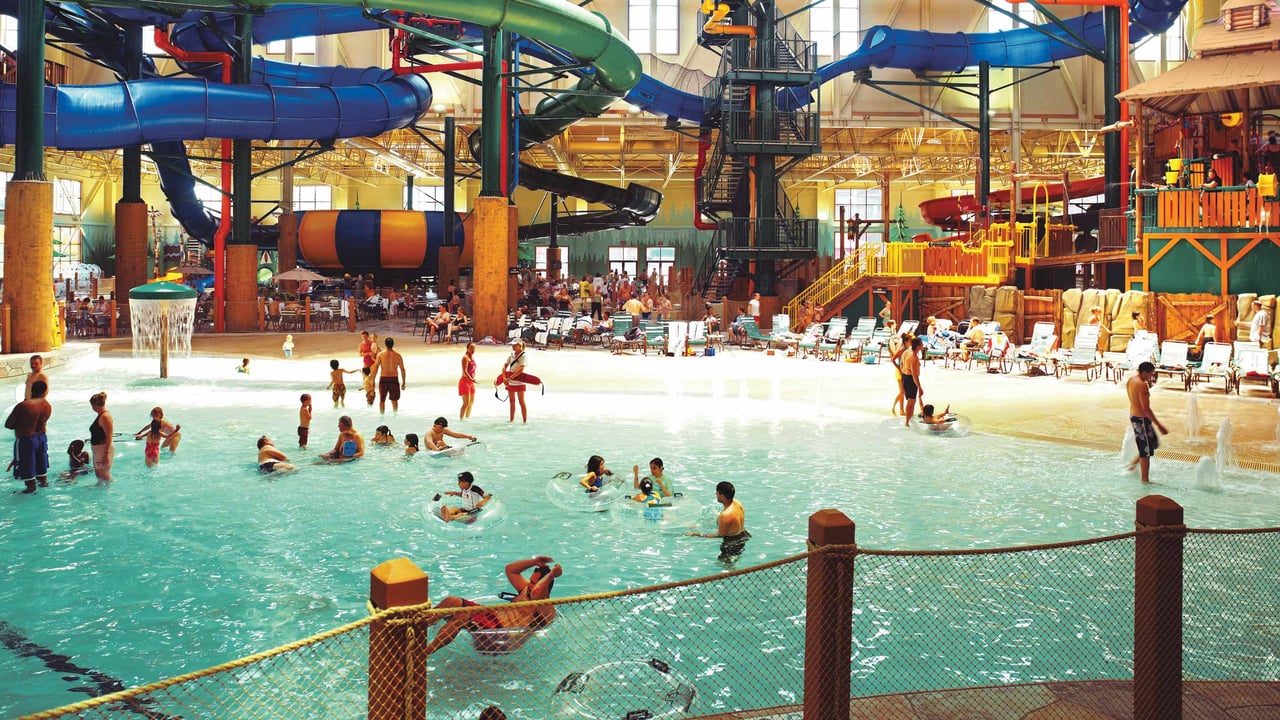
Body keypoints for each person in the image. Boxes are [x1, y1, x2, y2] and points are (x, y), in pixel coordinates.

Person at [421, 556, 562, 656]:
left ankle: (423, 655)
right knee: (452, 601)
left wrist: (551, 575)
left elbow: (538, 592)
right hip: (490, 620)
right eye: (531, 581)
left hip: (501, 639)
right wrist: (533, 562)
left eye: (534, 583)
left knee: (462, 615)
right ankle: (417, 627)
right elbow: (510, 570)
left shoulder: (546, 609)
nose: (530, 585)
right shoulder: (526, 591)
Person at [1125, 361, 1168, 483]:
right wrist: (1159, 425)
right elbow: (1146, 409)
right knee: (1145, 452)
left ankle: (1132, 465)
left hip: (1134, 416)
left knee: (1153, 443)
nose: (1151, 376)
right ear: (1144, 372)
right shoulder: (1142, 385)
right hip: (1141, 420)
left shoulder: (1131, 380)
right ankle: (1145, 480)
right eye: (1150, 374)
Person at [6, 380, 52, 493]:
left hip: (26, 440)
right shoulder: (47, 405)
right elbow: (44, 421)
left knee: (28, 474)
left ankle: (30, 489)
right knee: (42, 474)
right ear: (45, 391)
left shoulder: (24, 405)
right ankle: (43, 485)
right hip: (41, 439)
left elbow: (9, 424)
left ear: (31, 390)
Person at [687, 481, 750, 563]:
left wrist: (698, 534)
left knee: (725, 564)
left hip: (732, 543)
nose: (716, 495)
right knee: (735, 558)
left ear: (722, 496)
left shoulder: (725, 515)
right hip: (744, 535)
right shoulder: (737, 503)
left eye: (717, 493)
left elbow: (720, 535)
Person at [496, 339, 541, 423]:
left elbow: (521, 369)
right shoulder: (511, 355)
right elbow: (504, 367)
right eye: (512, 345)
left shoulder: (523, 356)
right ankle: (511, 420)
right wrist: (504, 377)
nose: (513, 346)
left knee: (521, 401)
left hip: (520, 381)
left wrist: (509, 378)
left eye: (515, 345)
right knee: (511, 401)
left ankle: (524, 421)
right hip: (510, 381)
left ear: (520, 346)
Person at [373, 337, 407, 413]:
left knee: (382, 400)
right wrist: (404, 382)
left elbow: (376, 368)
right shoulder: (398, 355)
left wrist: (373, 379)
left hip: (384, 378)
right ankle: (395, 416)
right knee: (394, 400)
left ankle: (382, 417)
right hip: (394, 379)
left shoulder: (380, 355)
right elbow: (402, 370)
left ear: (385, 344)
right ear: (393, 344)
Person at [88, 391, 113, 485]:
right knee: (99, 473)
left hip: (103, 448)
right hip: (98, 448)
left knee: (104, 473)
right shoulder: (101, 415)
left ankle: (108, 490)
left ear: (95, 405)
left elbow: (109, 436)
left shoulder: (105, 416)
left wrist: (106, 454)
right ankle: (100, 488)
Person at [900, 337, 924, 427]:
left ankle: (909, 420)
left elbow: (901, 363)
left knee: (911, 402)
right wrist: (920, 388)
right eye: (921, 344)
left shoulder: (907, 351)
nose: (923, 345)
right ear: (917, 346)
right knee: (911, 402)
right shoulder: (913, 357)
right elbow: (914, 375)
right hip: (910, 379)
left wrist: (904, 372)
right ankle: (907, 422)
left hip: (905, 377)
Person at [458, 342, 477, 421]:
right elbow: (465, 370)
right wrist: (471, 379)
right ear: (467, 348)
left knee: (471, 402)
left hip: (471, 383)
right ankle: (461, 419)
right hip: (465, 382)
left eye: (474, 348)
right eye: (471, 348)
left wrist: (472, 380)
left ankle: (467, 418)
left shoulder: (472, 358)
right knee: (466, 403)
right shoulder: (465, 358)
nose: (473, 350)